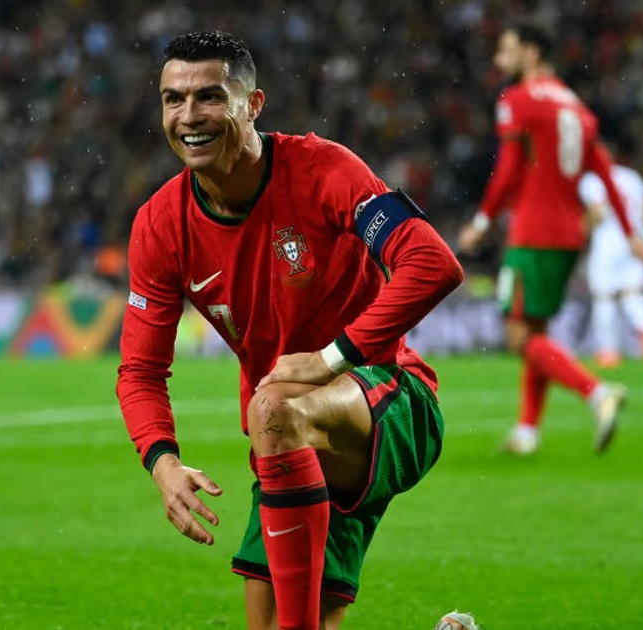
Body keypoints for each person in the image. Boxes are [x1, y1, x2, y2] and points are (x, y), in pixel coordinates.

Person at [116, 31, 464, 630]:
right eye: (173, 99)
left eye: (209, 97)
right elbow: (141, 371)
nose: (188, 116)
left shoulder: (324, 170)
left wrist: (333, 357)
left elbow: (432, 263)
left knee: (273, 406)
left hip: (389, 398)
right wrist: (162, 462)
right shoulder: (160, 225)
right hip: (287, 450)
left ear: (253, 105)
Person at [457, 23, 643, 456]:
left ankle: (598, 393)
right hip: (569, 235)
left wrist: (482, 222)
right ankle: (527, 431)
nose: (499, 61)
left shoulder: (517, 101)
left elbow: (508, 172)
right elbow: (603, 171)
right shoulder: (575, 106)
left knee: (517, 337)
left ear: (531, 52)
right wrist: (632, 232)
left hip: (532, 231)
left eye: (506, 50)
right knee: (537, 329)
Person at [579, 159, 643, 368]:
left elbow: (598, 213)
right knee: (632, 293)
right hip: (636, 241)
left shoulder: (592, 179)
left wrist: (582, 231)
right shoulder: (631, 176)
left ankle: (608, 351)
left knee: (604, 297)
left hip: (607, 244)